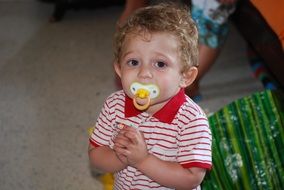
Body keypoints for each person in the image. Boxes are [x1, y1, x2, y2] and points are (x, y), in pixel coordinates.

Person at [88, 3, 212, 190]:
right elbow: (96, 156)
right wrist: (120, 157)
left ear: (185, 76)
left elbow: (191, 178)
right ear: (119, 69)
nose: (144, 73)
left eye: (160, 64)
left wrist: (142, 160)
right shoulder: (114, 105)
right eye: (134, 62)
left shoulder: (191, 120)